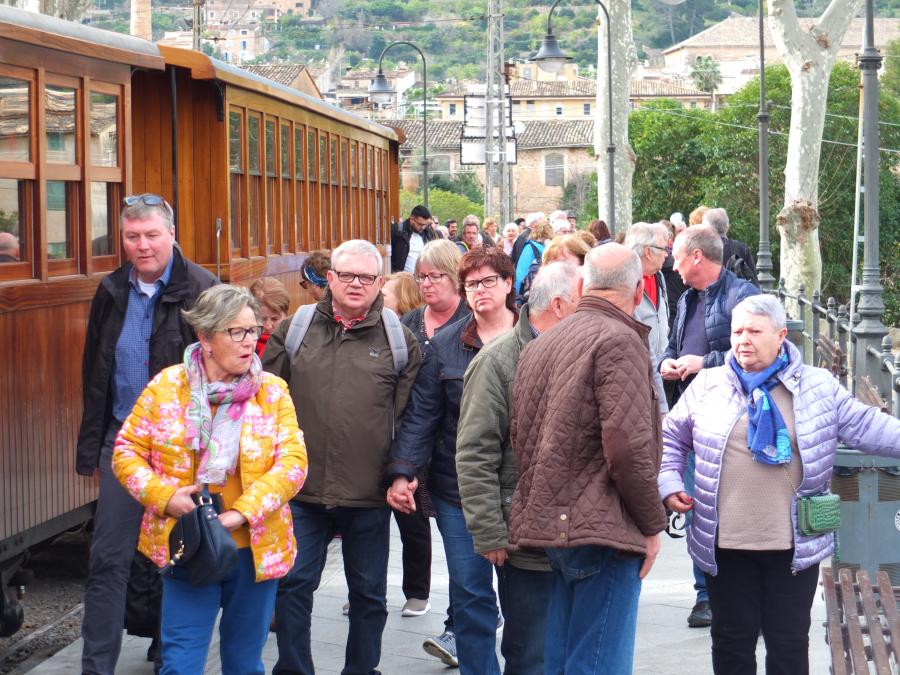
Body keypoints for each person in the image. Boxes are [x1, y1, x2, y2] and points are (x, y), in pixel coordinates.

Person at [659, 294, 900, 675]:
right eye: (737, 331)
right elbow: (672, 436)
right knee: (731, 642)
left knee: (788, 644)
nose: (743, 340)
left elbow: (868, 426)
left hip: (793, 548)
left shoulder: (817, 386)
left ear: (781, 335)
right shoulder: (709, 383)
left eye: (754, 331)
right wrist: (670, 481)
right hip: (725, 546)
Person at [112, 285, 308, 675]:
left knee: (243, 663)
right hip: (189, 544)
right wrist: (166, 497)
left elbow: (293, 464)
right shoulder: (166, 388)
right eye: (236, 332)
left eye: (252, 330)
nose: (249, 341)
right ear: (205, 337)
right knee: (180, 662)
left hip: (254, 549)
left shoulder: (272, 392)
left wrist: (241, 514)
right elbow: (125, 452)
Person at [263, 239, 422, 675]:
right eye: (346, 275)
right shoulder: (294, 330)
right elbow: (265, 403)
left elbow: (412, 419)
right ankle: (294, 669)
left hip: (368, 492)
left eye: (366, 277)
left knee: (369, 593)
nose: (356, 284)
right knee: (293, 585)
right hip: (301, 488)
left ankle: (362, 669)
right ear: (329, 279)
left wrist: (401, 474)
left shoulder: (398, 339)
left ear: (379, 283)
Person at [76, 193, 217, 675]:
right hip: (124, 444)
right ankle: (96, 667)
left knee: (179, 557)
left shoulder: (202, 288)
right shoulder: (111, 289)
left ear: (171, 235)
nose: (142, 246)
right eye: (132, 237)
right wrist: (93, 447)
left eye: (151, 235)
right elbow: (95, 370)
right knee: (108, 559)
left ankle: (172, 658)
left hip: (184, 452)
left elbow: (222, 373)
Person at [509, 243, 666, 674]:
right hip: (604, 530)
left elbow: (520, 434)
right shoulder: (620, 340)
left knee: (563, 656)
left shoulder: (542, 341)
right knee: (598, 661)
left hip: (557, 526)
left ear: (581, 285)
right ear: (638, 293)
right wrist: (652, 524)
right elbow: (627, 448)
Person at [387, 246, 517, 675]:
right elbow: (424, 413)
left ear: (508, 284)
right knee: (471, 592)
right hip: (457, 490)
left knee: (524, 596)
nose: (479, 291)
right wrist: (403, 472)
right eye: (472, 284)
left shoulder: (535, 338)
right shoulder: (445, 345)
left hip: (524, 489)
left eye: (488, 282)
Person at [456, 262, 582, 675]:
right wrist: (490, 531)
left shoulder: (582, 349)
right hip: (525, 540)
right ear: (561, 306)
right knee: (530, 655)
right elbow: (475, 453)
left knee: (567, 651)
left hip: (579, 534)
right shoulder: (497, 362)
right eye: (585, 301)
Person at [659, 224, 760, 628]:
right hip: (692, 418)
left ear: (696, 256)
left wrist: (705, 363)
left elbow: (757, 356)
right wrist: (668, 362)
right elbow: (675, 344)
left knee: (732, 511)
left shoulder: (744, 296)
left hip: (731, 423)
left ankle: (737, 594)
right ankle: (706, 596)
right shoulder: (685, 298)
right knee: (696, 508)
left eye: (677, 256)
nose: (673, 264)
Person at [400, 239, 469, 663]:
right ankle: (468, 616)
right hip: (416, 449)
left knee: (462, 551)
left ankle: (457, 625)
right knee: (442, 543)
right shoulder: (407, 323)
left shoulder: (473, 321)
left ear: (455, 277)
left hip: (457, 455)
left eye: (435, 276)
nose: (426, 284)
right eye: (421, 277)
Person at [625, 221, 671, 413]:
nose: (667, 254)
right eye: (663, 248)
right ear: (648, 252)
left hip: (663, 371)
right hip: (637, 373)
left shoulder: (659, 276)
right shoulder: (626, 281)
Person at [702, 207, 758, 285]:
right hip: (739, 294)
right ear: (727, 226)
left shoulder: (701, 249)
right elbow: (753, 279)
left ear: (707, 227)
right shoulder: (741, 248)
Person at [249, 276, 290, 358]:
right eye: (262, 319)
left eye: (275, 319)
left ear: (286, 315)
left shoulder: (294, 346)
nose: (268, 326)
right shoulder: (241, 346)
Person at [391, 204, 437, 273]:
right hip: (403, 279)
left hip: (422, 278)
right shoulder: (397, 231)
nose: (423, 227)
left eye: (425, 225)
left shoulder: (428, 233)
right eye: (420, 224)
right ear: (412, 219)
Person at [514, 221, 554, 295]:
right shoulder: (554, 249)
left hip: (532, 294)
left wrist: (517, 297)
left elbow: (521, 274)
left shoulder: (530, 248)